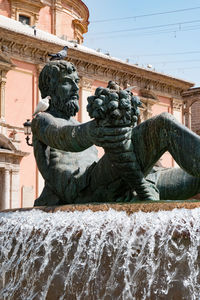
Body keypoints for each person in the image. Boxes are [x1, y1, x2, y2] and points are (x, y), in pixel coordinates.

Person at [32, 60, 200, 206]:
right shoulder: (42, 120)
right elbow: (64, 137)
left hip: (119, 183)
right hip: (86, 189)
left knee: (196, 179)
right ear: (50, 87)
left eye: (77, 82)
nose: (76, 88)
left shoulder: (77, 123)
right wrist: (93, 130)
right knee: (163, 125)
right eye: (68, 82)